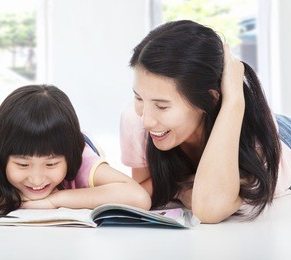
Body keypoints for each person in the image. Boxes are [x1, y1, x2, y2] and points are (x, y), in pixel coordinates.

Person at [120, 20, 291, 224]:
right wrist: (180, 188)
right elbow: (143, 193)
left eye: (162, 106)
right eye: (139, 98)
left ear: (210, 98)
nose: (146, 121)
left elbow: (208, 208)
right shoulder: (136, 120)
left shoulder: (254, 136)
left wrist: (233, 99)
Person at [0, 85, 151, 221]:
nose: (37, 180)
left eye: (50, 165)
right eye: (23, 165)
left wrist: (54, 200)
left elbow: (137, 197)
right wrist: (13, 197)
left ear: (67, 158)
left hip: (83, 141)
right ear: (2, 157)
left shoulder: (78, 157)